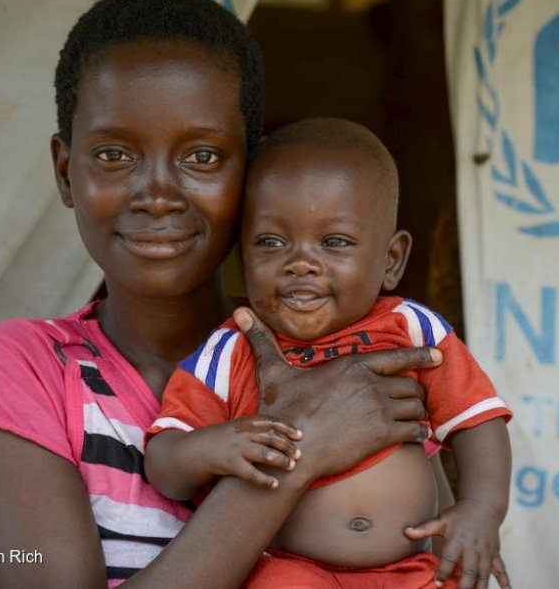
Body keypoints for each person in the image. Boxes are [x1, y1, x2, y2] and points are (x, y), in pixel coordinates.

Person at [0, 0, 442, 588]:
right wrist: (301, 449)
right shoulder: (23, 369)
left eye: (202, 156)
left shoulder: (353, 355)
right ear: (66, 171)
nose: (156, 195)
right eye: (114, 154)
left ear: (251, 175)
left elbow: (439, 565)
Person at [145, 118, 514, 589]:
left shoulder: (411, 329)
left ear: (391, 260)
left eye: (334, 242)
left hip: (412, 567)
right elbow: (164, 462)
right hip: (288, 570)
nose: (300, 262)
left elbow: (475, 420)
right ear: (243, 259)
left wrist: (482, 509)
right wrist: (214, 447)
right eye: (271, 242)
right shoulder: (231, 349)